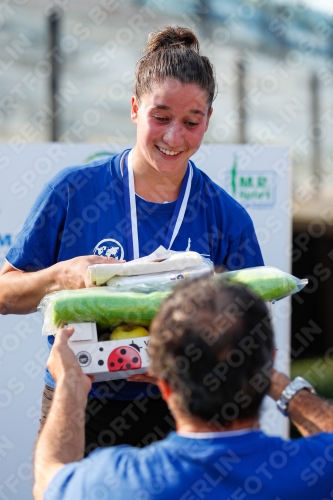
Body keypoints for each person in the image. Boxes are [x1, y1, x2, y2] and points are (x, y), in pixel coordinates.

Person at [0, 26, 264, 453]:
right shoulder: (73, 190)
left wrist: (196, 352)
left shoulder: (227, 215)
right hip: (78, 401)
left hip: (183, 413)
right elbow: (4, 294)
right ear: (135, 109)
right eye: (161, 117)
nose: (173, 137)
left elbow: (252, 333)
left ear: (207, 121)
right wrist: (60, 277)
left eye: (191, 122)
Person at [33, 278, 333, 500]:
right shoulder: (310, 471)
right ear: (270, 364)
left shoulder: (120, 481)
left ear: (163, 385)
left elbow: (47, 481)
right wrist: (275, 379)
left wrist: (69, 387)